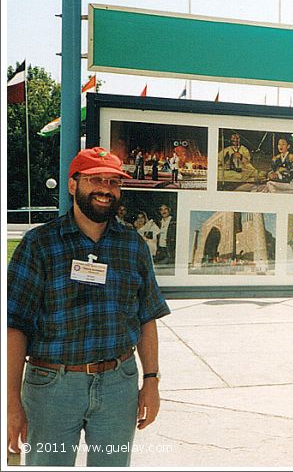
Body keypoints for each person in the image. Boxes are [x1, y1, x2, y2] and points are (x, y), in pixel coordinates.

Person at [6, 147, 170, 466]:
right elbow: (15, 326)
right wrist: (11, 400)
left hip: (117, 385)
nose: (105, 189)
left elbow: (147, 317)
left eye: (113, 182)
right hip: (52, 388)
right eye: (96, 179)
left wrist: (151, 380)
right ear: (73, 184)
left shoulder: (133, 246)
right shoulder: (39, 245)